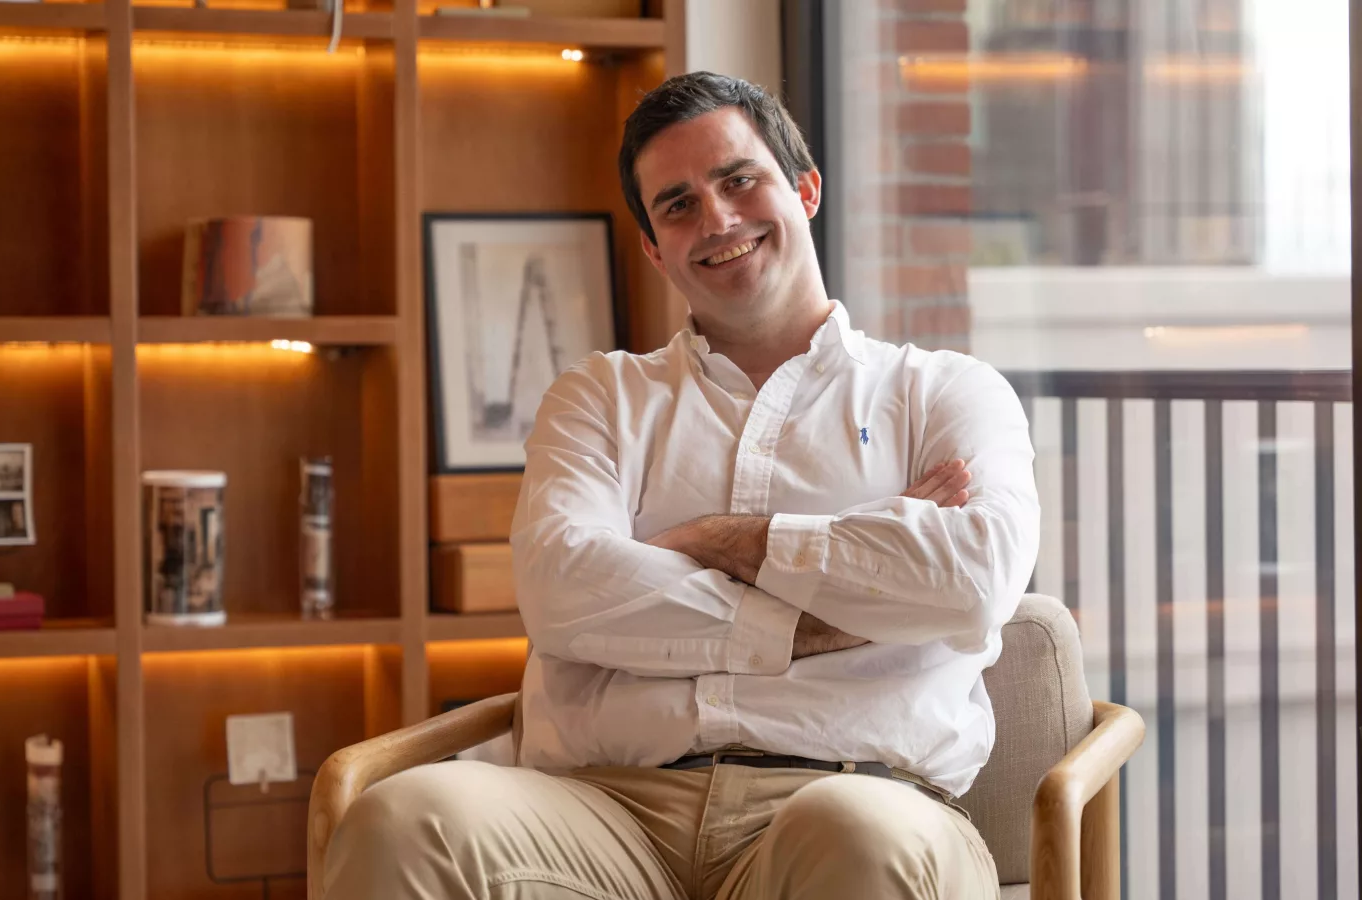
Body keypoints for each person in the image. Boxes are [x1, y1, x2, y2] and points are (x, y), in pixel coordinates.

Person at [326, 71, 1040, 899]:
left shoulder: (945, 391)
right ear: (653, 248)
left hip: (856, 791)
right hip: (602, 812)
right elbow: (561, 591)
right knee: (401, 819)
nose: (718, 220)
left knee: (858, 834)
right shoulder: (598, 398)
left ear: (806, 189)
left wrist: (714, 540)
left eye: (739, 180)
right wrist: (850, 590)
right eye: (678, 204)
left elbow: (975, 579)